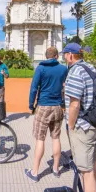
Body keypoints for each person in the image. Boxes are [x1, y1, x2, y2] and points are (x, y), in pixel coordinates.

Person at [62, 43, 96, 192]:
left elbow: (74, 104)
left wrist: (71, 126)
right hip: (93, 122)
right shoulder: (90, 67)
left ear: (70, 55)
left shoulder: (75, 71)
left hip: (82, 126)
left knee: (86, 172)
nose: (64, 57)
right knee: (95, 165)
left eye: (65, 54)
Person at [25, 47, 68, 183]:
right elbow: (65, 86)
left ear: (46, 56)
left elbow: (34, 88)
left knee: (40, 139)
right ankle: (56, 169)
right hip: (57, 107)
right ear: (56, 56)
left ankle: (35, 172)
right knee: (56, 138)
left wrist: (31, 104)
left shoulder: (40, 68)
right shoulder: (63, 69)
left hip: (43, 105)